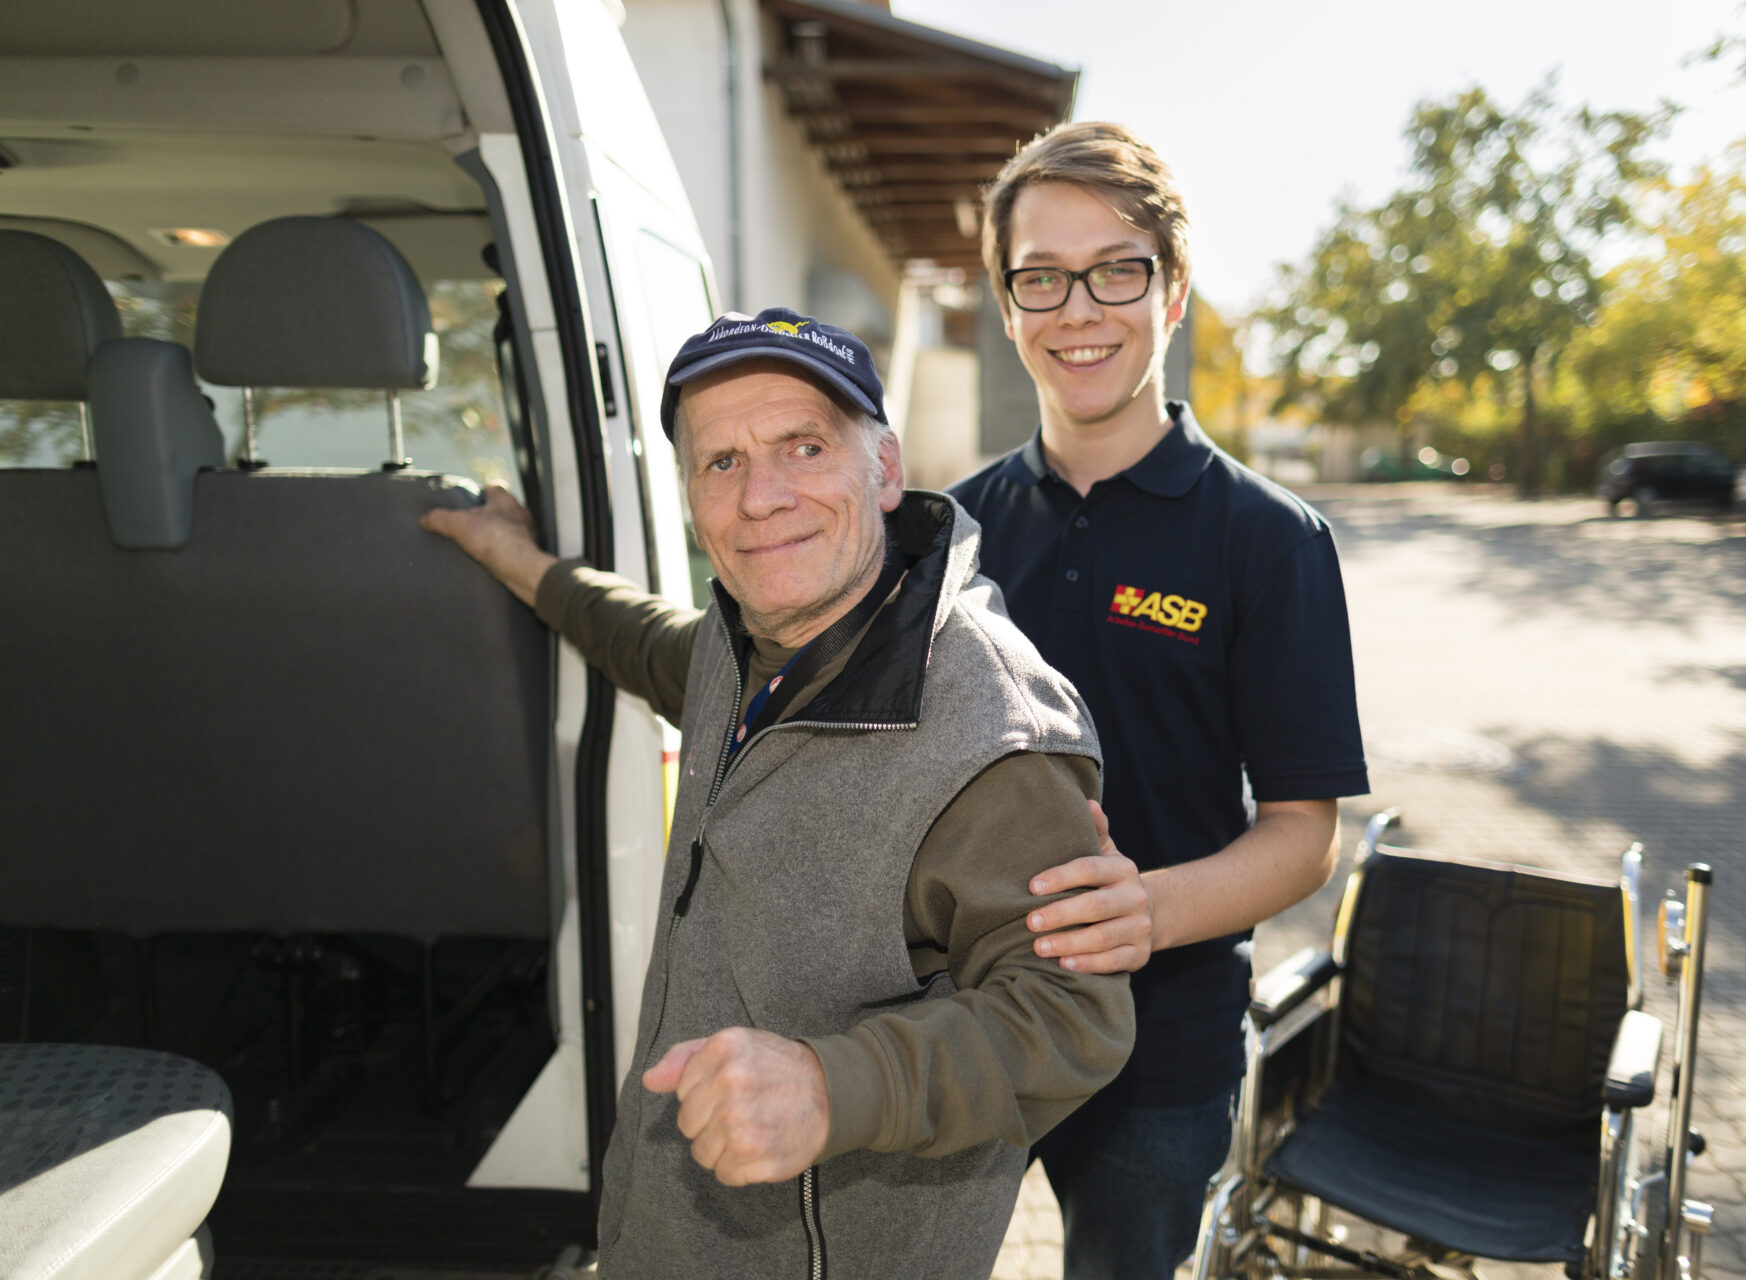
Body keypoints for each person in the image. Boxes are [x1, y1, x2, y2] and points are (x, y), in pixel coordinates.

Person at [422, 308, 1135, 1278]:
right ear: (690, 496)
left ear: (885, 470)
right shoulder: (743, 639)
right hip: (662, 1228)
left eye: (804, 446)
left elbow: (1072, 1017)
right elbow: (642, 641)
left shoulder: (991, 729)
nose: (761, 497)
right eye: (722, 462)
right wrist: (518, 559)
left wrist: (835, 1085)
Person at [950, 122, 1371, 1280]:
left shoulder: (1271, 540)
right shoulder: (952, 533)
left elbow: (1304, 835)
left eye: (1117, 271)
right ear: (1008, 304)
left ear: (1173, 292)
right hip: (966, 1021)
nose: (1079, 309)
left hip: (1162, 1048)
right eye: (1042, 276)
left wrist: (1149, 907)